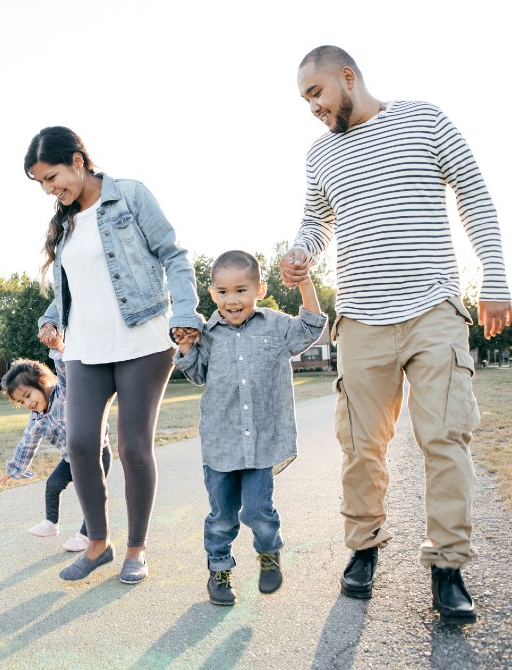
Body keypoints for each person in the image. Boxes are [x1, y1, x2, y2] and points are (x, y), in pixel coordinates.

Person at [282, 45, 512, 624]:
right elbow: (315, 221)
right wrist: (302, 251)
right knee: (361, 444)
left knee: (444, 438)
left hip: (433, 309)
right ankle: (363, 549)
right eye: (304, 99)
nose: (310, 106)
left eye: (316, 93)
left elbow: (476, 198)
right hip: (360, 316)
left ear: (348, 77)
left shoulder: (425, 120)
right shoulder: (320, 155)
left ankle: (448, 568)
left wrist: (496, 278)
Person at [25, 126, 203, 583]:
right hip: (85, 345)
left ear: (79, 161)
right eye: (41, 183)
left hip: (142, 339)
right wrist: (52, 318)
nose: (50, 189)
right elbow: (71, 286)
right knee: (81, 443)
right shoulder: (65, 222)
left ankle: (136, 549)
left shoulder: (130, 195)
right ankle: (98, 544)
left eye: (52, 176)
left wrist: (184, 310)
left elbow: (174, 256)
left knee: (133, 448)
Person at [175, 250, 326, 605]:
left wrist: (304, 282)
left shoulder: (276, 326)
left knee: (258, 510)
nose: (232, 300)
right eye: (223, 292)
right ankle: (219, 571)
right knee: (222, 517)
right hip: (221, 444)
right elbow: (196, 375)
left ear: (260, 289)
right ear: (213, 294)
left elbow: (312, 326)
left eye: (241, 290)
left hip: (262, 442)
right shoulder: (207, 334)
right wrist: (185, 346)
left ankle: (270, 553)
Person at [0, 334, 112, 553]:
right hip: (71, 458)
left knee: (90, 493)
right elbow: (27, 443)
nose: (28, 403)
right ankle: (51, 523)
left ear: (43, 383)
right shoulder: (36, 419)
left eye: (29, 395)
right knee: (52, 484)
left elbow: (66, 368)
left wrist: (59, 347)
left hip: (97, 453)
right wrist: (15, 468)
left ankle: (86, 535)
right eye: (22, 402)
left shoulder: (64, 392)